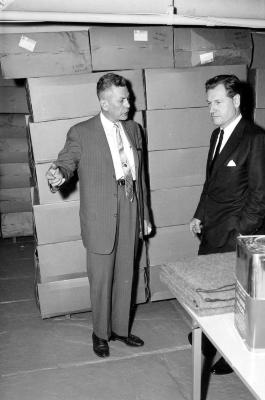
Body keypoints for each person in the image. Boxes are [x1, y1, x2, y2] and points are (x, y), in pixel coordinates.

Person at [46, 73, 152, 358]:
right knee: (102, 277)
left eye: (128, 97)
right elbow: (66, 162)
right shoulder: (81, 132)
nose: (129, 104)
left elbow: (141, 176)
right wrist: (58, 174)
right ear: (104, 103)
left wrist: (144, 213)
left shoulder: (134, 130)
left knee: (126, 274)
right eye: (122, 99)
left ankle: (120, 329)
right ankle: (100, 333)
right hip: (100, 213)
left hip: (131, 205)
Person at [189, 74, 265, 374]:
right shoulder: (217, 135)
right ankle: (211, 340)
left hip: (236, 236)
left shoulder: (256, 140)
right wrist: (200, 213)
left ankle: (231, 354)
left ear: (236, 101)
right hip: (212, 229)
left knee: (233, 297)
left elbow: (262, 198)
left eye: (218, 102)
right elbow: (210, 183)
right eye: (208, 103)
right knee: (211, 291)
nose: (211, 109)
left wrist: (239, 233)